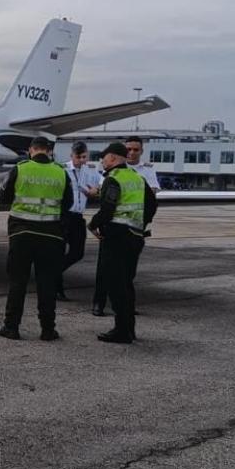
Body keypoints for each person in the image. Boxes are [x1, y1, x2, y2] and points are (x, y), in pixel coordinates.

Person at [0, 136, 74, 341]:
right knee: (47, 284)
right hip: (51, 235)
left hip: (22, 234)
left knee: (17, 282)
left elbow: (2, 197)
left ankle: (11, 327)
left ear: (31, 150)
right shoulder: (61, 172)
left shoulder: (20, 168)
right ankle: (48, 329)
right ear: (48, 151)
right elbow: (69, 203)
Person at [88, 142, 156, 343]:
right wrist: (140, 224)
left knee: (115, 284)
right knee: (126, 283)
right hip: (135, 236)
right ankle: (129, 329)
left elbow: (108, 207)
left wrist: (93, 225)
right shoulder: (138, 178)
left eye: (105, 157)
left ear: (114, 158)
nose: (102, 160)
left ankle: (121, 330)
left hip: (117, 237)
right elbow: (152, 205)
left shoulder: (113, 179)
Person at [55, 142, 102, 301]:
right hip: (63, 217)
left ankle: (52, 273)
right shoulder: (62, 169)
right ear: (71, 156)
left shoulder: (90, 170)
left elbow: (104, 182)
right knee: (58, 252)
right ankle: (57, 288)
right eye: (78, 157)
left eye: (84, 157)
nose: (82, 160)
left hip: (77, 218)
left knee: (78, 253)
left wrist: (97, 190)